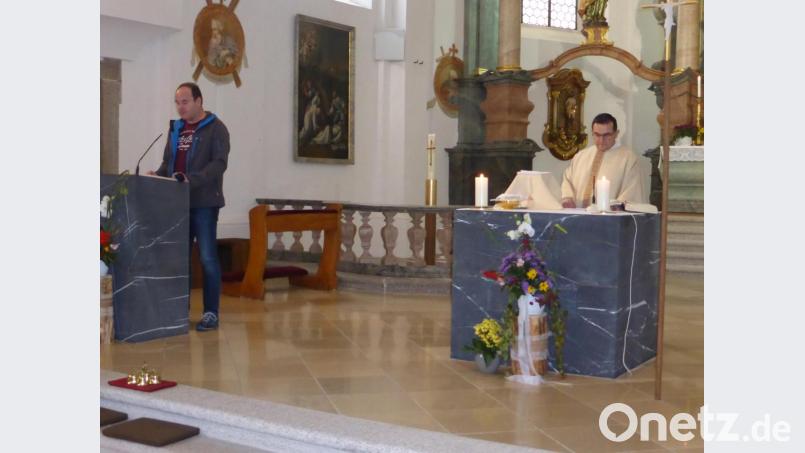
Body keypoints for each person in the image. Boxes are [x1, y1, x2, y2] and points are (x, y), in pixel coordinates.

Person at [151, 82, 230, 331]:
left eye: (185, 101)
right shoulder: (176, 128)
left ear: (199, 101)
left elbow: (219, 163)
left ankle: (210, 313)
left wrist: (192, 180)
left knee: (207, 258)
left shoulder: (216, 128)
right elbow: (169, 162)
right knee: (180, 258)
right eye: (177, 102)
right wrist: (158, 175)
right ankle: (178, 310)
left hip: (204, 202)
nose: (180, 106)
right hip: (178, 203)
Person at [560, 113, 646, 208]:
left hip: (610, 219)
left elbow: (632, 191)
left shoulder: (628, 159)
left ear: (616, 134)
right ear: (592, 133)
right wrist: (568, 198)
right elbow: (567, 180)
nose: (601, 140)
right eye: (597, 135)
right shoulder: (580, 156)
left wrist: (616, 207)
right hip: (579, 217)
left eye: (606, 135)